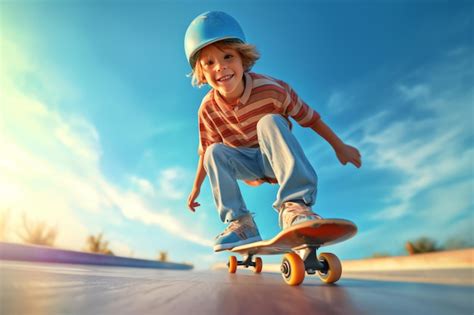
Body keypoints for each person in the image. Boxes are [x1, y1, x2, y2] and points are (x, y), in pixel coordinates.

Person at [184, 11, 362, 252]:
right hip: (245, 164)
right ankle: (241, 224)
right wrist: (195, 187)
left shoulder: (272, 89)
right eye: (210, 63)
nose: (221, 68)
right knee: (213, 151)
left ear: (243, 58)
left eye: (228, 57)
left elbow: (309, 118)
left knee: (268, 122)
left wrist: (339, 146)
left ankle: (295, 207)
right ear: (201, 72)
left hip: (275, 157)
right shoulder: (207, 109)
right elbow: (205, 152)